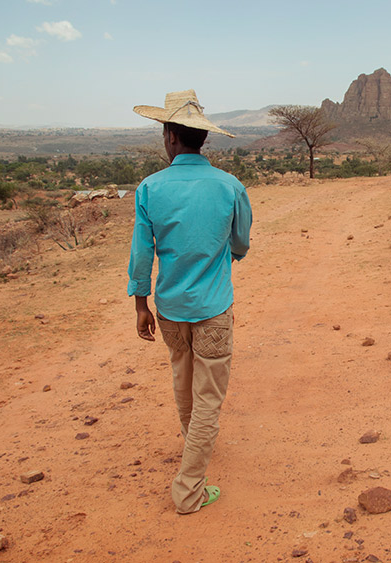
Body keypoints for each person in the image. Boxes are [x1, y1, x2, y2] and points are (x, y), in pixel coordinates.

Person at [127, 89, 252, 514]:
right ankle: (189, 488)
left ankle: (194, 450)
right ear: (203, 138)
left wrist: (140, 303)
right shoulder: (230, 186)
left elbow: (142, 254)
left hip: (170, 310)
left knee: (183, 382)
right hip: (214, 308)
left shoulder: (149, 188)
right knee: (209, 396)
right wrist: (222, 256)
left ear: (169, 136)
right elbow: (240, 243)